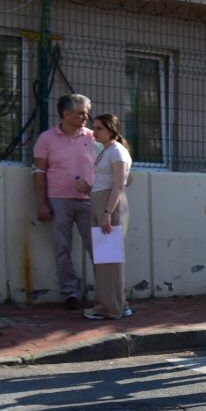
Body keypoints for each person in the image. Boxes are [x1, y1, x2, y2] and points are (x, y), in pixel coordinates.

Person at [31, 92, 97, 309]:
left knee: (99, 246)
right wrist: (42, 203)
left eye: (86, 113)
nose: (85, 117)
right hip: (59, 199)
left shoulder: (93, 137)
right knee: (62, 248)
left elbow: (112, 166)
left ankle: (108, 290)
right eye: (81, 113)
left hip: (91, 199)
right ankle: (70, 293)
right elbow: (39, 170)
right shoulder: (46, 138)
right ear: (66, 113)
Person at [84, 113, 133, 321]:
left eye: (99, 128)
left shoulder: (117, 152)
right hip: (100, 201)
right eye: (93, 128)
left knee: (111, 260)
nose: (94, 132)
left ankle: (111, 308)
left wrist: (107, 213)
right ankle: (115, 305)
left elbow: (120, 184)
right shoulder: (105, 151)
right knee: (105, 258)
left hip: (109, 205)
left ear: (111, 130)